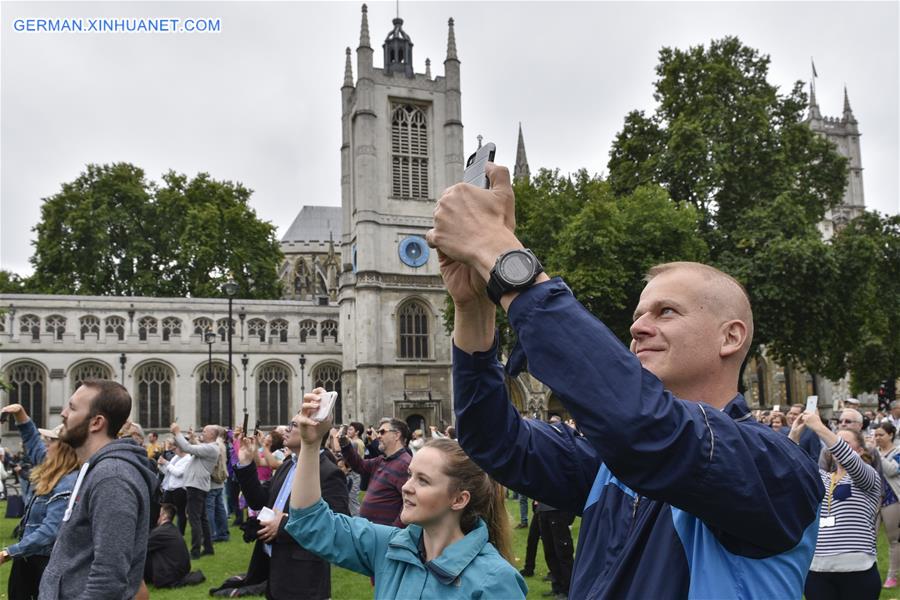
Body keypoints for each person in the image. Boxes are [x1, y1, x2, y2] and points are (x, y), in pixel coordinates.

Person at [426, 162, 824, 598]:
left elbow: (645, 427)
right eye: (637, 316)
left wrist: (497, 252)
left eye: (665, 312)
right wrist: (473, 305)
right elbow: (493, 440)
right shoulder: (611, 466)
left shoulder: (775, 466)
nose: (637, 328)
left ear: (730, 336)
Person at [285, 391, 527, 599]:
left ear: (459, 499)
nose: (406, 487)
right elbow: (311, 523)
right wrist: (310, 445)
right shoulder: (389, 547)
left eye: (423, 480)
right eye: (410, 475)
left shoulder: (495, 581)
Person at [36, 379, 157, 599]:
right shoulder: (98, 469)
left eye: (72, 408)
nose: (63, 413)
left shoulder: (112, 478)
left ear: (96, 422)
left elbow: (108, 579)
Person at [233, 415, 350, 600]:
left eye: (293, 425)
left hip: (302, 576)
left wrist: (284, 524)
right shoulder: (288, 464)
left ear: (313, 431)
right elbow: (259, 501)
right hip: (274, 567)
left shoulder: (328, 472)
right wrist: (247, 463)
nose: (286, 429)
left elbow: (337, 525)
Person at [790, 412, 881, 599]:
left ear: (860, 451)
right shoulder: (822, 478)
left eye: (844, 443)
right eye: (835, 443)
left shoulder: (867, 477)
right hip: (817, 569)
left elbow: (849, 460)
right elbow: (792, 467)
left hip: (857, 568)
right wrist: (794, 436)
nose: (836, 446)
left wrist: (821, 428)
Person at [0, 405, 79, 599]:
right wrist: (19, 413)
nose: (45, 445)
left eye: (50, 441)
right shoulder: (52, 468)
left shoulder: (67, 483)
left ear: (62, 448)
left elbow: (50, 531)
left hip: (45, 561)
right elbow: (32, 440)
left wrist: (10, 552)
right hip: (28, 555)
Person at [339, 418, 412, 527]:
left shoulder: (405, 464)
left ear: (396, 435)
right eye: (378, 432)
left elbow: (409, 504)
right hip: (372, 532)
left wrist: (393, 532)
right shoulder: (381, 460)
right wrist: (344, 442)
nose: (378, 436)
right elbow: (359, 465)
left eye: (382, 432)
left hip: (384, 536)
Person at [171, 423, 219, 559]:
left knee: (194, 519)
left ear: (211, 435)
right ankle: (208, 548)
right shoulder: (210, 448)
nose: (202, 433)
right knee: (202, 519)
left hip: (196, 487)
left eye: (204, 431)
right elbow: (196, 447)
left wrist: (177, 432)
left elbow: (187, 448)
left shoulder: (211, 448)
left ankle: (195, 551)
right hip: (198, 486)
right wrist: (192, 438)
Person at [873, 422, 900, 588]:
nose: (877, 438)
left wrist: (876, 454)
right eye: (875, 435)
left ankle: (892, 575)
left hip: (892, 499)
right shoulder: (871, 452)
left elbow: (891, 470)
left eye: (881, 435)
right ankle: (869, 572)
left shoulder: (898, 452)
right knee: (869, 538)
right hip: (874, 499)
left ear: (890, 435)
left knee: (894, 539)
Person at [144, 504, 192, 588]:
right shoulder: (173, 529)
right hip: (180, 572)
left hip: (169, 576)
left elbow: (142, 548)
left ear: (164, 516)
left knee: (140, 555)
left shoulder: (160, 532)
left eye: (159, 513)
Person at [157, 445, 190, 535]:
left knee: (180, 512)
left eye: (175, 448)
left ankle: (180, 533)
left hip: (180, 488)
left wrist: (166, 463)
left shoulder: (188, 459)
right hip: (169, 487)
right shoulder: (176, 457)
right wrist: (161, 465)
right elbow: (167, 472)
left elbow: (178, 473)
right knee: (166, 509)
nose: (173, 450)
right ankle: (165, 530)